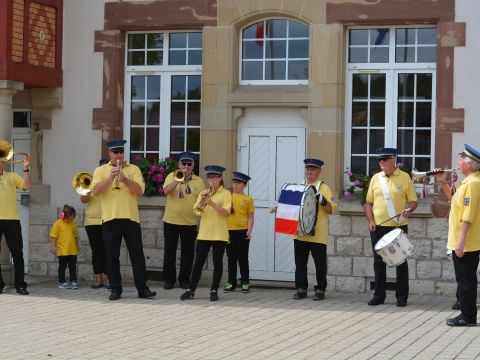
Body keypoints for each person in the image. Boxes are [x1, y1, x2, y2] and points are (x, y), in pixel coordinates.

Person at [91, 140, 156, 301]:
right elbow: (96, 192)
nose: (118, 155)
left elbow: (140, 191)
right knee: (112, 257)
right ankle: (115, 289)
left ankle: (142, 289)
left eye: (120, 151)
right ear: (109, 154)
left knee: (137, 255)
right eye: (115, 152)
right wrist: (110, 178)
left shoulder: (134, 169)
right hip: (110, 218)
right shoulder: (100, 170)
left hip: (131, 218)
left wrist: (125, 179)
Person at [365, 148, 417, 307]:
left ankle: (402, 298)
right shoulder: (375, 178)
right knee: (378, 263)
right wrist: (370, 221)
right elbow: (368, 203)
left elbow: (413, 201)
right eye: (380, 160)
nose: (381, 162)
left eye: (384, 160)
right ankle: (379, 296)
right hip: (378, 227)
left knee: (400, 262)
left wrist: (409, 209)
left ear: (393, 160)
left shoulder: (405, 177)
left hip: (397, 226)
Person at [435, 144, 480, 326]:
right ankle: (466, 313)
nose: (459, 163)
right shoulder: (468, 182)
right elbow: (453, 199)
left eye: (462, 160)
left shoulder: (474, 184)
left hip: (466, 242)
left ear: (470, 164)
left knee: (466, 281)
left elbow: (468, 216)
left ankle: (468, 317)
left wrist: (460, 242)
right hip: (461, 241)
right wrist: (442, 180)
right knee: (464, 280)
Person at [180, 165, 232, 302]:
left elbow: (226, 213)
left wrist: (212, 203)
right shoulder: (203, 192)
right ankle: (191, 290)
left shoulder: (226, 194)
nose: (212, 181)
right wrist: (203, 201)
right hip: (204, 233)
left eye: (214, 178)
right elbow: (197, 211)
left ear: (220, 178)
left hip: (219, 234)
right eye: (210, 178)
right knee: (198, 264)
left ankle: (214, 290)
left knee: (217, 263)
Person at [293, 159, 336, 300]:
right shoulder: (299, 186)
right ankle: (301, 288)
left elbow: (331, 210)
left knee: (320, 264)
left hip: (318, 233)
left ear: (319, 172)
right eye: (307, 169)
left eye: (312, 169)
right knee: (300, 264)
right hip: (300, 232)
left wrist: (324, 201)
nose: (309, 172)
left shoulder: (324, 187)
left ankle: (320, 289)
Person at [162, 152, 205, 290]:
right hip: (171, 221)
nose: (186, 166)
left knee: (188, 253)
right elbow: (166, 191)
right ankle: (169, 280)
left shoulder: (198, 181)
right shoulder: (171, 176)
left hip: (190, 222)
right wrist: (177, 180)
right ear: (179, 165)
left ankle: (184, 279)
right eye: (183, 163)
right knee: (170, 252)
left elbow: (202, 202)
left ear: (193, 165)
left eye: (189, 164)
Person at [0, 140, 30, 295]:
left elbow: (26, 186)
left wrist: (25, 168)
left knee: (18, 253)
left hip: (12, 219)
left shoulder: (12, 176)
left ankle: (20, 285)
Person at [224, 171, 254, 293]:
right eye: (234, 183)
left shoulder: (248, 199)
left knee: (243, 258)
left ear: (245, 185)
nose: (235, 185)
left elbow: (250, 216)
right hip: (229, 231)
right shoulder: (227, 196)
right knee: (231, 258)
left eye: (239, 183)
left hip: (242, 231)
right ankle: (231, 282)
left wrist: (249, 230)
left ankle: (245, 282)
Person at [80, 159, 109, 289]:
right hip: (92, 221)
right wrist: (86, 190)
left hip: (108, 220)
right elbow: (84, 200)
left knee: (109, 251)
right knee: (96, 251)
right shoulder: (92, 182)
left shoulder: (112, 182)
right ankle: (98, 279)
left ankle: (109, 279)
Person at [50, 205, 79, 289]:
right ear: (67, 215)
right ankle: (62, 282)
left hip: (72, 250)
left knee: (72, 267)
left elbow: (75, 236)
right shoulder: (57, 224)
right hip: (62, 250)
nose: (74, 217)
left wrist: (77, 246)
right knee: (62, 267)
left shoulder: (73, 224)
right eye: (73, 215)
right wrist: (53, 246)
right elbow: (53, 236)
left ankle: (73, 281)